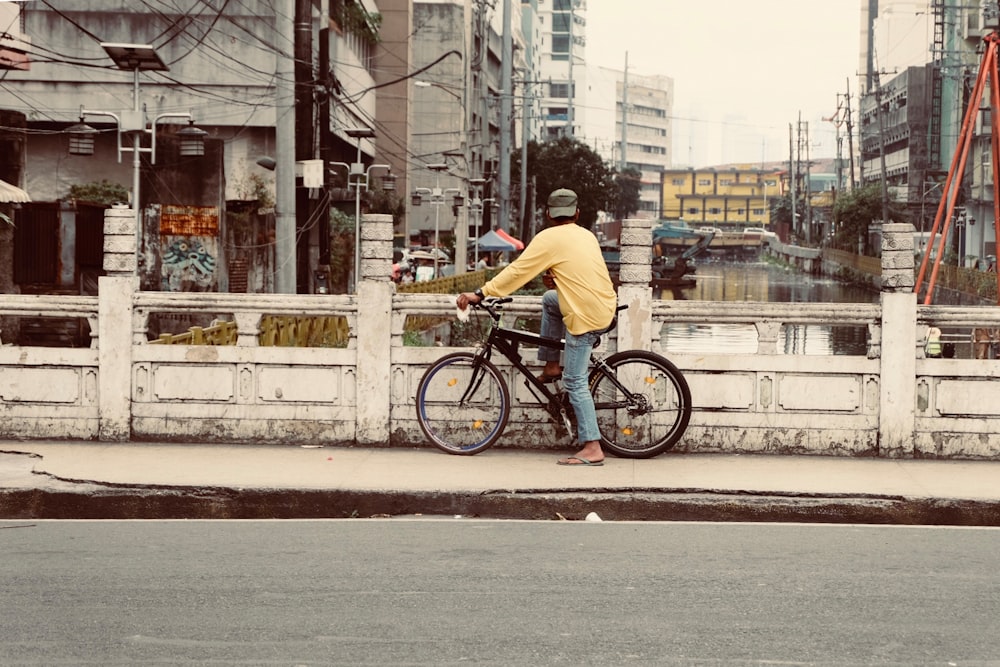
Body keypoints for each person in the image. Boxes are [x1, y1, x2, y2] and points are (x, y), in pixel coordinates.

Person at [456, 188, 617, 466]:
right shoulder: (587, 234)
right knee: (550, 300)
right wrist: (559, 282)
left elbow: (518, 272)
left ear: (547, 214)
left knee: (575, 380)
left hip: (586, 315)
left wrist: (481, 294)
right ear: (577, 213)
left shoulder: (548, 238)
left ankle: (592, 447)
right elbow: (583, 272)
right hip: (604, 304)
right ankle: (551, 364)